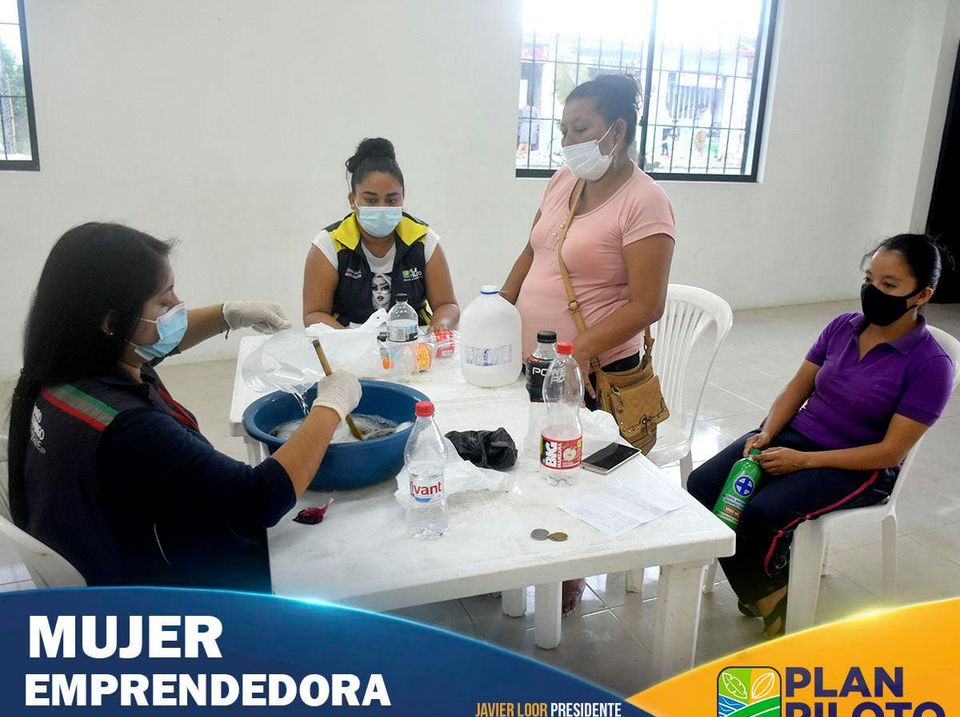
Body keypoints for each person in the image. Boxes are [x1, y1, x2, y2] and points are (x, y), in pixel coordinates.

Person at [7, 223, 362, 591]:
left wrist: (227, 314)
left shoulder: (66, 373)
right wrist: (331, 405)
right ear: (112, 322)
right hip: (169, 592)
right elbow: (260, 498)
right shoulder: (130, 427)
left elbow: (158, 341)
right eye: (164, 302)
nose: (178, 307)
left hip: (115, 551)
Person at [687, 234, 955, 638]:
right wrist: (767, 431)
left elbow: (890, 452)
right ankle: (769, 590)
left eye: (889, 285)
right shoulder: (843, 327)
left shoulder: (931, 365)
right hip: (798, 434)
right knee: (704, 485)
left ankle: (769, 596)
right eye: (869, 279)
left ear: (922, 294)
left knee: (762, 513)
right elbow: (798, 387)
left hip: (860, 464)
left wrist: (803, 461)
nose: (873, 292)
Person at [500, 74, 676, 615]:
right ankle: (523, 552)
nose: (567, 141)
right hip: (536, 362)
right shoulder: (563, 181)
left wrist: (572, 355)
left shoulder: (646, 203)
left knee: (574, 473)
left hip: (592, 373)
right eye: (564, 129)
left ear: (616, 131)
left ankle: (570, 567)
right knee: (533, 460)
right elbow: (532, 251)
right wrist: (498, 308)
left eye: (580, 129)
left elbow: (646, 304)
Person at [303, 137, 459, 332]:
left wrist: (441, 325)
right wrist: (351, 342)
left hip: (412, 342)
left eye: (391, 200)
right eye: (371, 200)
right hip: (348, 342)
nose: (382, 208)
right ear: (352, 200)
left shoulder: (423, 240)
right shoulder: (329, 245)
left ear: (403, 198)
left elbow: (447, 305)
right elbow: (314, 314)